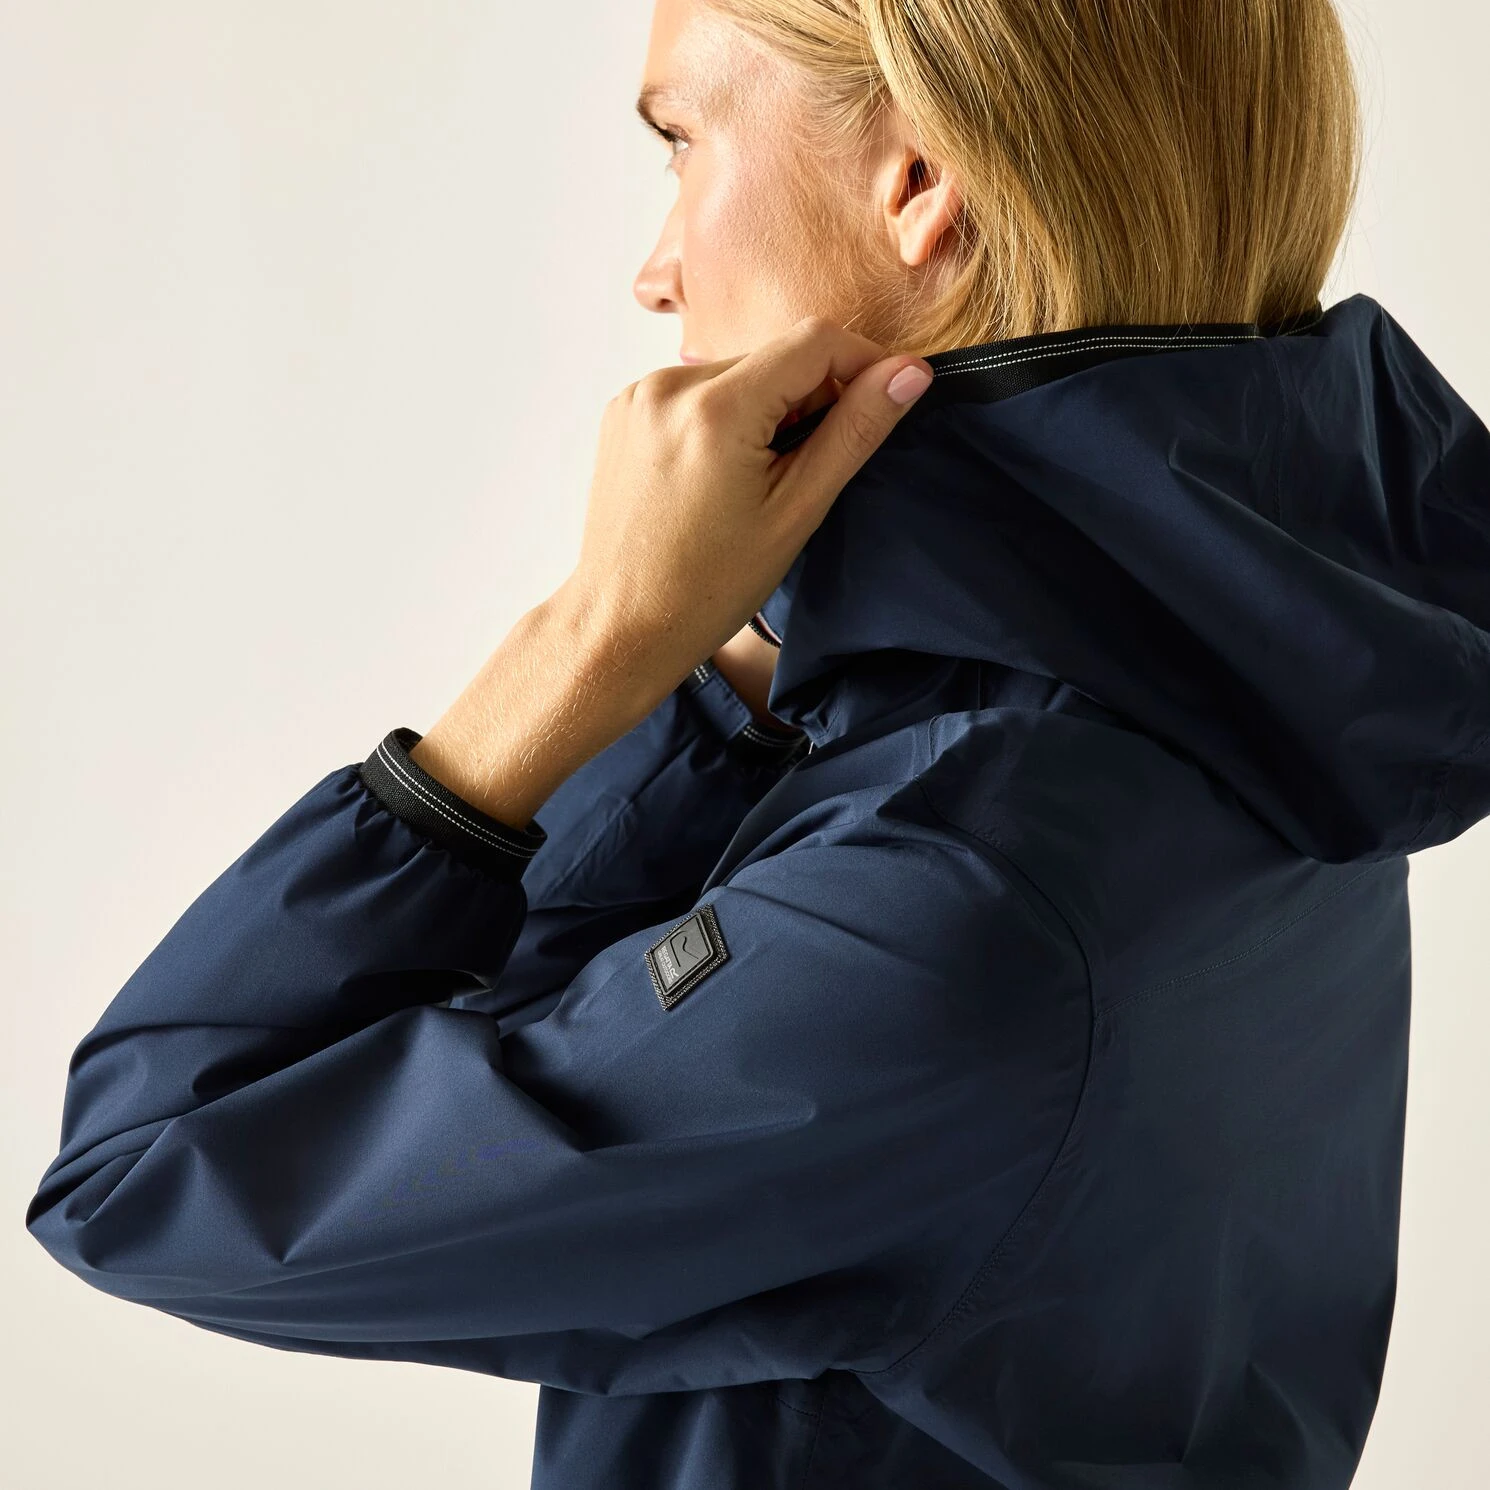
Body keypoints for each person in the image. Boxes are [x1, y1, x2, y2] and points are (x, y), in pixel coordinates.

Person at [24, 0, 1490, 1486]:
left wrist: (594, 637)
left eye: (680, 141)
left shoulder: (948, 897)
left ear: (919, 180)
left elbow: (145, 1166)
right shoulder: (1263, 663)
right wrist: (740, 664)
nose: (654, 268)